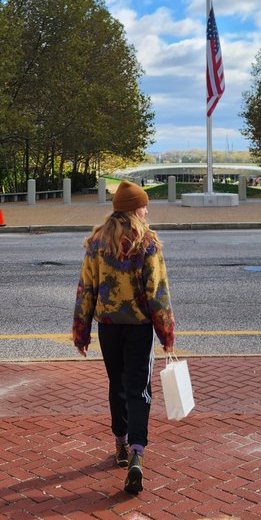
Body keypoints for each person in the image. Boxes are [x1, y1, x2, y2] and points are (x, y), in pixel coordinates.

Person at [72, 179, 175, 496]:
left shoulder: (97, 243)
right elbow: (157, 293)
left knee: (116, 384)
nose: (147, 211)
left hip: (108, 326)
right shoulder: (147, 243)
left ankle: (120, 442)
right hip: (139, 327)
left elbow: (86, 289)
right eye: (144, 206)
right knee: (138, 389)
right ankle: (137, 452)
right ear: (133, 209)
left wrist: (81, 331)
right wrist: (166, 332)